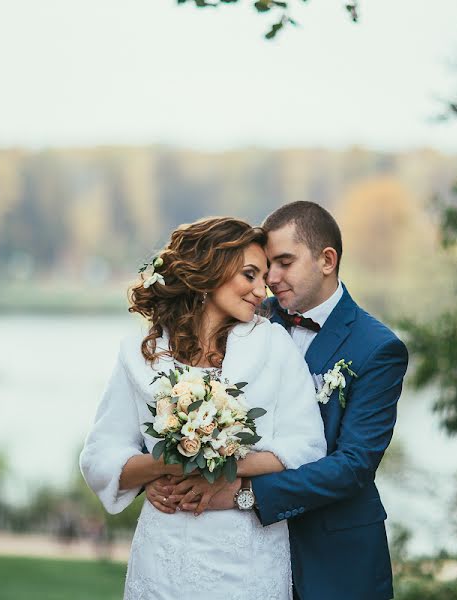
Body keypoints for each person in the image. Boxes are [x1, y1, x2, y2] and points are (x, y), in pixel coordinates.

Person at [147, 202, 409, 600]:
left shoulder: (377, 348)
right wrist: (161, 477)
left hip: (332, 554)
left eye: (284, 262)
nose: (270, 278)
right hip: (247, 556)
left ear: (327, 259)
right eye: (267, 265)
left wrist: (241, 492)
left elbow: (354, 465)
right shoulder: (249, 317)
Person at [79, 217, 326, 599]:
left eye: (264, 277)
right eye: (250, 275)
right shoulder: (140, 356)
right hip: (164, 553)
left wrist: (223, 469)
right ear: (210, 270)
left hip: (247, 556)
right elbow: (101, 457)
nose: (262, 290)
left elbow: (306, 446)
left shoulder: (274, 346)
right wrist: (164, 466)